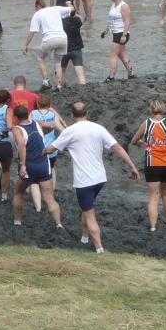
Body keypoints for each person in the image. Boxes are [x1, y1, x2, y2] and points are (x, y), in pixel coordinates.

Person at [45, 102, 139, 253]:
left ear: (72, 114)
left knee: (89, 213)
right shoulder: (98, 128)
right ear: (87, 113)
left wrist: (40, 153)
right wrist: (132, 166)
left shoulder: (70, 131)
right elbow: (117, 147)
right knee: (86, 208)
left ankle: (99, 249)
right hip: (100, 179)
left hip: (84, 182)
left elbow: (51, 148)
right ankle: (84, 237)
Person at [11, 105, 63, 229]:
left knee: (18, 192)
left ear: (16, 117)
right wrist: (44, 134)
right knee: (49, 197)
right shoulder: (37, 123)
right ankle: (59, 224)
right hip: (43, 164)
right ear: (28, 114)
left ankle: (17, 222)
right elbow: (51, 126)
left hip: (29, 165)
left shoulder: (17, 129)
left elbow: (22, 146)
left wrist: (22, 165)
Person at [130, 100, 166, 232]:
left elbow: (134, 141)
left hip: (152, 164)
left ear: (151, 110)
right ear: (163, 109)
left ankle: (153, 227)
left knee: (153, 197)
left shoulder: (146, 124)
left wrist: (143, 144)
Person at [23, 0, 73, 91]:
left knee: (41, 58)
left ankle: (46, 81)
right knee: (58, 63)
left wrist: (26, 45)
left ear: (37, 6)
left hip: (49, 39)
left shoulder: (37, 14)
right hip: (63, 38)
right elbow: (71, 9)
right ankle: (59, 87)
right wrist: (69, 3)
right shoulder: (56, 8)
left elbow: (32, 32)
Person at [102, 0, 134, 82]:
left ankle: (111, 77)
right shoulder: (113, 5)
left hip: (122, 34)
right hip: (116, 33)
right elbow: (111, 19)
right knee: (122, 54)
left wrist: (124, 35)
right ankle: (131, 74)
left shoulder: (124, 6)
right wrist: (106, 30)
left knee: (113, 54)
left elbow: (128, 21)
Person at [60, 7, 86, 85]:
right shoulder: (77, 21)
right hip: (76, 50)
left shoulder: (62, 23)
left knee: (61, 71)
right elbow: (81, 18)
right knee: (80, 73)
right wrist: (74, 12)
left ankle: (61, 86)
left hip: (64, 50)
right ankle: (83, 86)